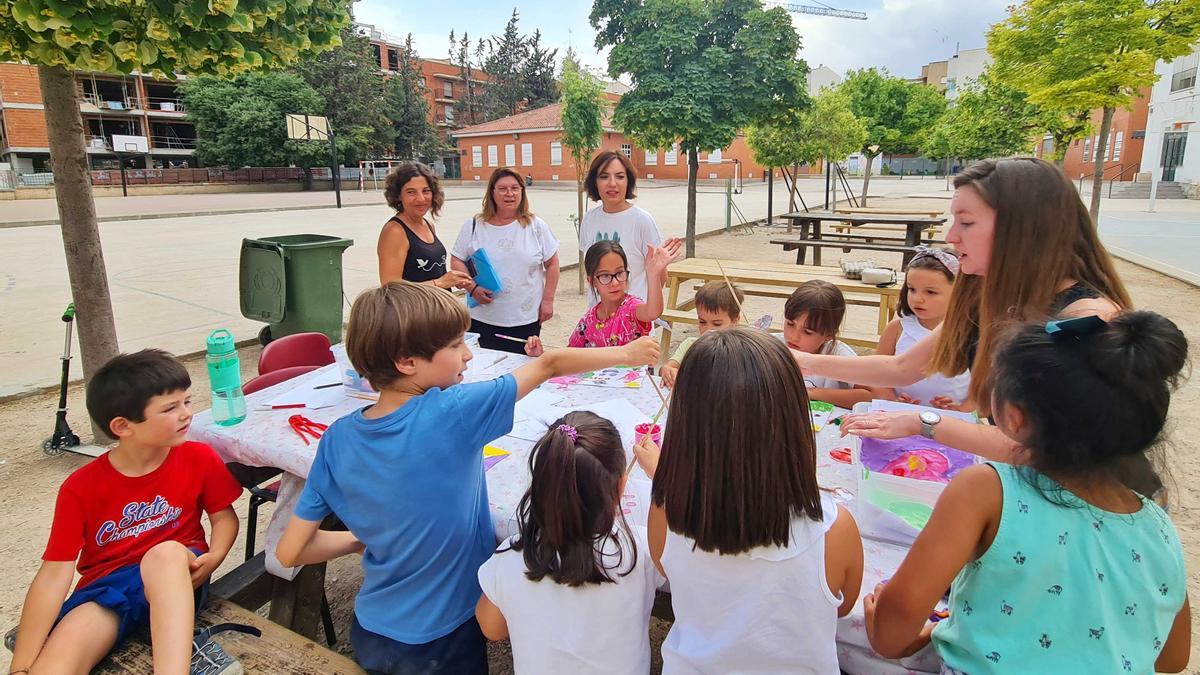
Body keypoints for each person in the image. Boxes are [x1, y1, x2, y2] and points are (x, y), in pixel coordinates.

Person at [275, 281, 659, 675]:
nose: (468, 354)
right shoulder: (453, 412)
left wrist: (365, 540)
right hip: (445, 635)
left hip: (373, 629)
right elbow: (549, 364)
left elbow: (290, 551)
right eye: (456, 345)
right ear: (407, 361)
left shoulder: (336, 439)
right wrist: (627, 353)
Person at [864, 312, 1191, 673]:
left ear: (1014, 418)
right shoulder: (1158, 525)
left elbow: (891, 635)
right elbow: (1172, 658)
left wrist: (885, 618)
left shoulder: (985, 488)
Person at [797, 158, 1131, 461]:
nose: (951, 236)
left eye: (966, 223)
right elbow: (901, 368)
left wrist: (923, 422)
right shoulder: (985, 295)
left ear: (1023, 230)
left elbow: (1037, 448)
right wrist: (804, 362)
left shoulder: (1086, 320)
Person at [634, 328, 864, 673]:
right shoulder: (834, 528)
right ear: (794, 422)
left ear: (685, 423)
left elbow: (668, 569)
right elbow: (841, 608)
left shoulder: (665, 507)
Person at [11, 350, 244, 675]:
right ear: (123, 426)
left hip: (176, 577)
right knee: (54, 664)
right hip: (109, 590)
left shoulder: (198, 458)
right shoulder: (80, 487)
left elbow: (224, 516)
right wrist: (21, 666)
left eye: (187, 402)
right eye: (170, 408)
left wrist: (215, 556)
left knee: (163, 556)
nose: (186, 414)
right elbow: (54, 576)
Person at [475, 411, 664, 674]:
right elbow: (687, 556)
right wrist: (662, 477)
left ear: (540, 486)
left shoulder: (510, 557)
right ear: (622, 487)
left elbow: (491, 628)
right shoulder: (639, 550)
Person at [451, 167, 561, 354]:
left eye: (515, 188)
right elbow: (457, 260)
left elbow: (552, 264)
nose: (509, 194)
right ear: (492, 192)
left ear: (522, 192)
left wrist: (548, 301)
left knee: (522, 372)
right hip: (482, 317)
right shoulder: (473, 226)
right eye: (502, 189)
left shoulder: (536, 226)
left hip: (525, 318)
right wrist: (472, 288)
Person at [577, 150, 681, 304]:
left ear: (628, 181)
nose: (612, 183)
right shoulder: (589, 219)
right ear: (594, 182)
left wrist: (643, 309)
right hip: (599, 318)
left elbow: (660, 276)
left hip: (634, 319)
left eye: (620, 176)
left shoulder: (642, 221)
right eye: (604, 176)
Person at [875, 246, 971, 411]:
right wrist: (893, 401)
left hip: (952, 424)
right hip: (899, 418)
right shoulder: (897, 329)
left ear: (958, 292)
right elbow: (876, 375)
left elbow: (984, 386)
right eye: (912, 289)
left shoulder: (972, 333)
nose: (917, 299)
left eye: (931, 292)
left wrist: (962, 409)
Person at [557, 240, 672, 351]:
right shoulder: (588, 321)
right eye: (605, 276)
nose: (615, 283)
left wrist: (653, 275)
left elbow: (653, 312)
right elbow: (570, 353)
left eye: (620, 273)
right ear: (592, 281)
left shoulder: (631, 308)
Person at [783, 280, 880, 408]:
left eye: (808, 332)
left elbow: (872, 396)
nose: (794, 336)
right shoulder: (770, 346)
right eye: (790, 324)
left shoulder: (839, 354)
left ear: (829, 334)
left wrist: (810, 393)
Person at [377, 161, 472, 289]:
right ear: (398, 196)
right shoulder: (395, 231)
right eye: (411, 192)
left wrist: (453, 280)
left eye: (426, 191)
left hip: (438, 306)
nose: (421, 199)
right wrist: (440, 283)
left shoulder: (428, 225)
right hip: (415, 309)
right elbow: (390, 288)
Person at [659, 280, 743, 388]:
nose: (708, 330)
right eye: (702, 322)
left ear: (735, 321)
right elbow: (668, 367)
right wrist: (666, 370)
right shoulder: (690, 344)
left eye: (717, 324)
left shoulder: (742, 350)